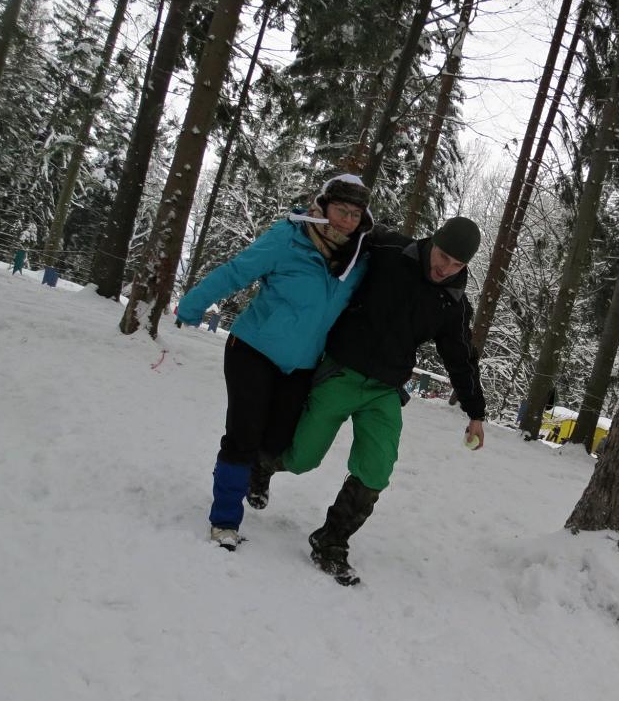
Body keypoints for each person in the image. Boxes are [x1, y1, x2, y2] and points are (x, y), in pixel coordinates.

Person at [264, 217, 486, 585]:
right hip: (342, 369)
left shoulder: (454, 303)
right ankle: (259, 466)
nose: (445, 268)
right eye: (443, 256)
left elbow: (461, 358)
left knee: (377, 468)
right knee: (303, 458)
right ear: (433, 242)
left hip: (385, 389)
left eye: (457, 264)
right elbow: (347, 232)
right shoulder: (390, 250)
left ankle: (331, 541)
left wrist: (475, 412)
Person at [177, 174, 372, 551]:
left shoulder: (358, 260)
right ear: (323, 206)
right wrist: (194, 303)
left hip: (300, 366)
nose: (347, 221)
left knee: (279, 440)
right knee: (243, 435)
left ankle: (254, 472)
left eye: (355, 214)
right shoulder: (289, 237)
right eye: (341, 210)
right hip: (253, 349)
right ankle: (225, 520)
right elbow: (237, 271)